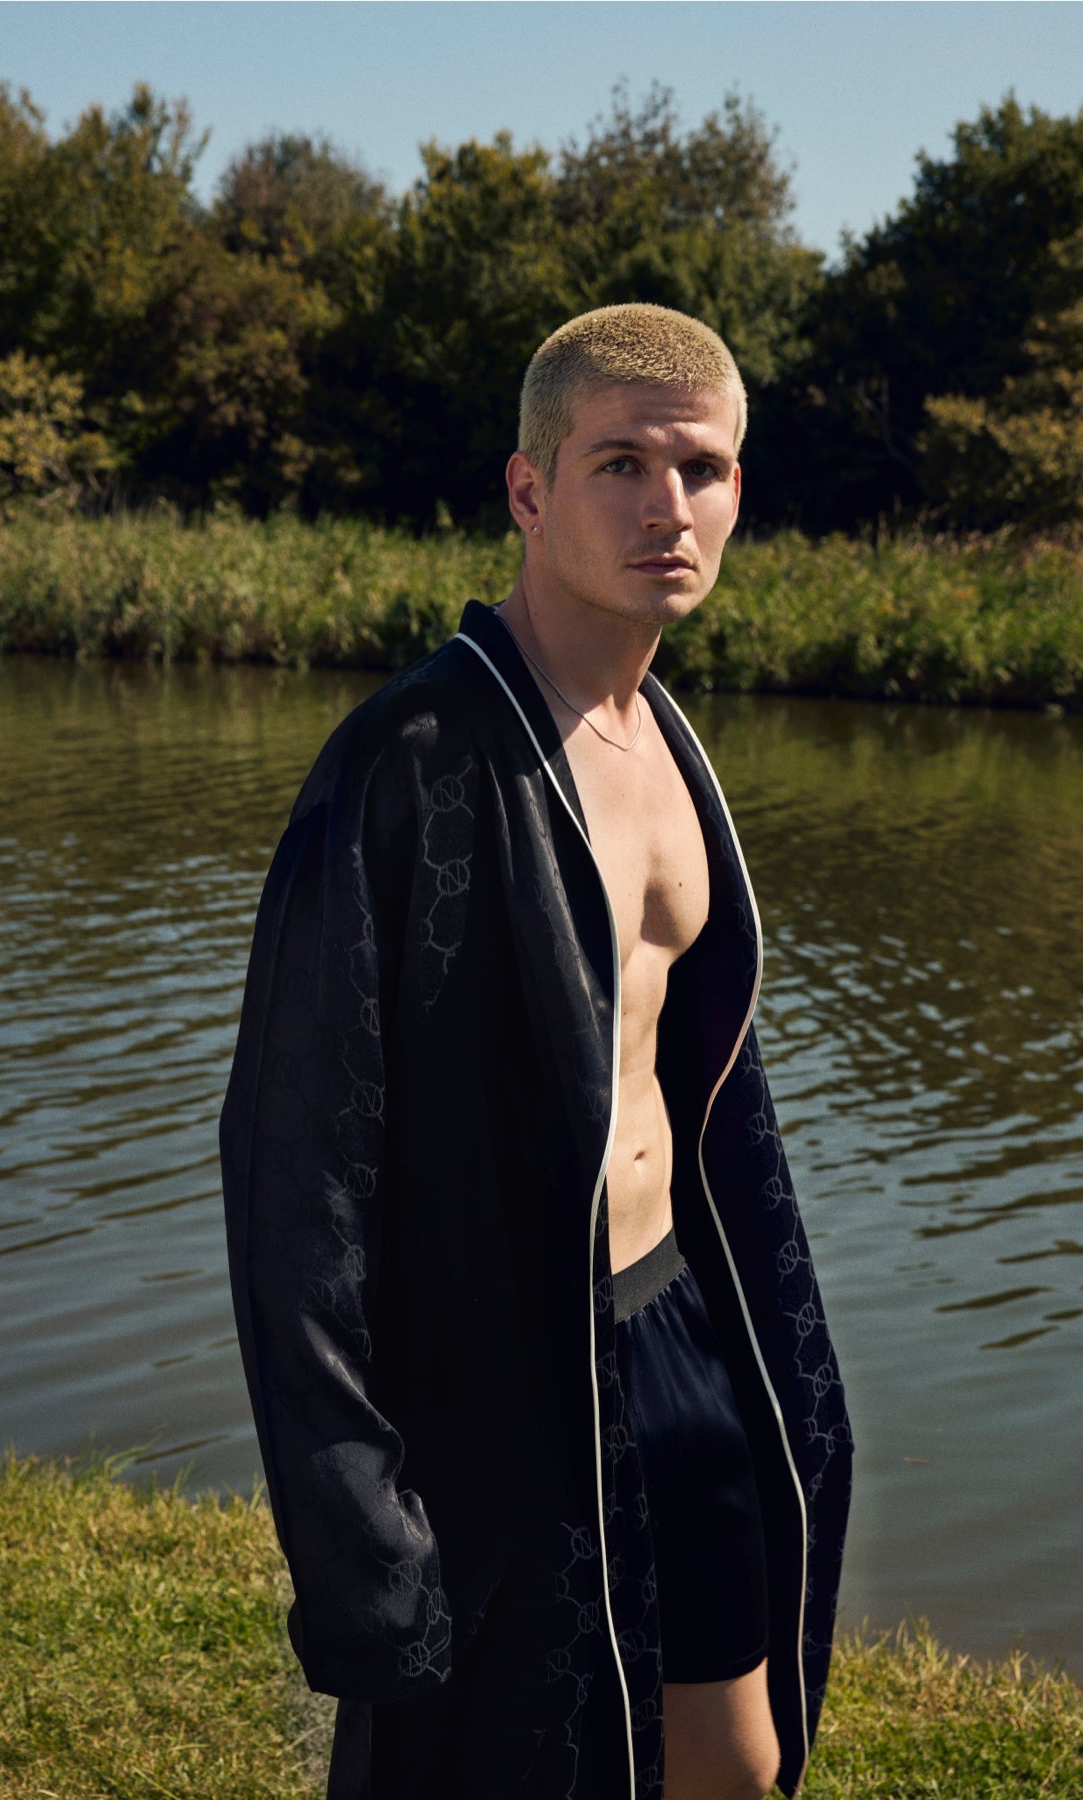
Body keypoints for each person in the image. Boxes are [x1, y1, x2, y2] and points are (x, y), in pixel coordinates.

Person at [220, 303, 852, 1800]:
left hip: (677, 1321)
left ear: (738, 493)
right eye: (618, 464)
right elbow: (295, 1169)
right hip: (503, 1384)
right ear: (528, 489)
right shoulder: (410, 763)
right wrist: (354, 1516)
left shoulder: (666, 742)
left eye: (699, 469)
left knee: (738, 1767)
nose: (665, 506)